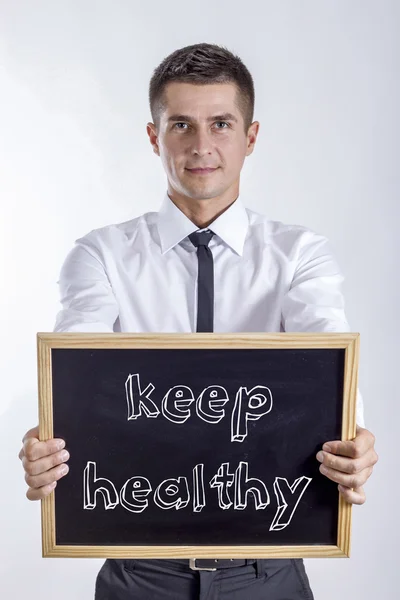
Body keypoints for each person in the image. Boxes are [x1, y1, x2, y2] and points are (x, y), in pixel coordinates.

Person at [18, 42, 378, 600]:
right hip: (141, 573)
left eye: (221, 124)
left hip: (268, 571)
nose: (201, 146)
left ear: (251, 137)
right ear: (153, 136)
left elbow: (327, 355)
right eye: (181, 124)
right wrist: (50, 440)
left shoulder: (300, 256)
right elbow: (75, 371)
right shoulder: (101, 256)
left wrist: (355, 438)